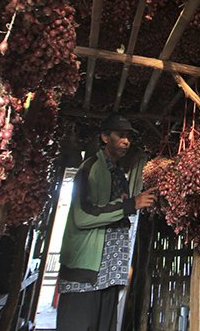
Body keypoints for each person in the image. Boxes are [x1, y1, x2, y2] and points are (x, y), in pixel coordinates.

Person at [57, 113, 157, 331]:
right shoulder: (90, 168)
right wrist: (131, 204)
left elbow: (116, 211)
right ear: (104, 137)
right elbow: (83, 216)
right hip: (86, 277)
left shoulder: (118, 173)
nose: (126, 142)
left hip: (109, 274)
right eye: (120, 135)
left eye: (128, 137)